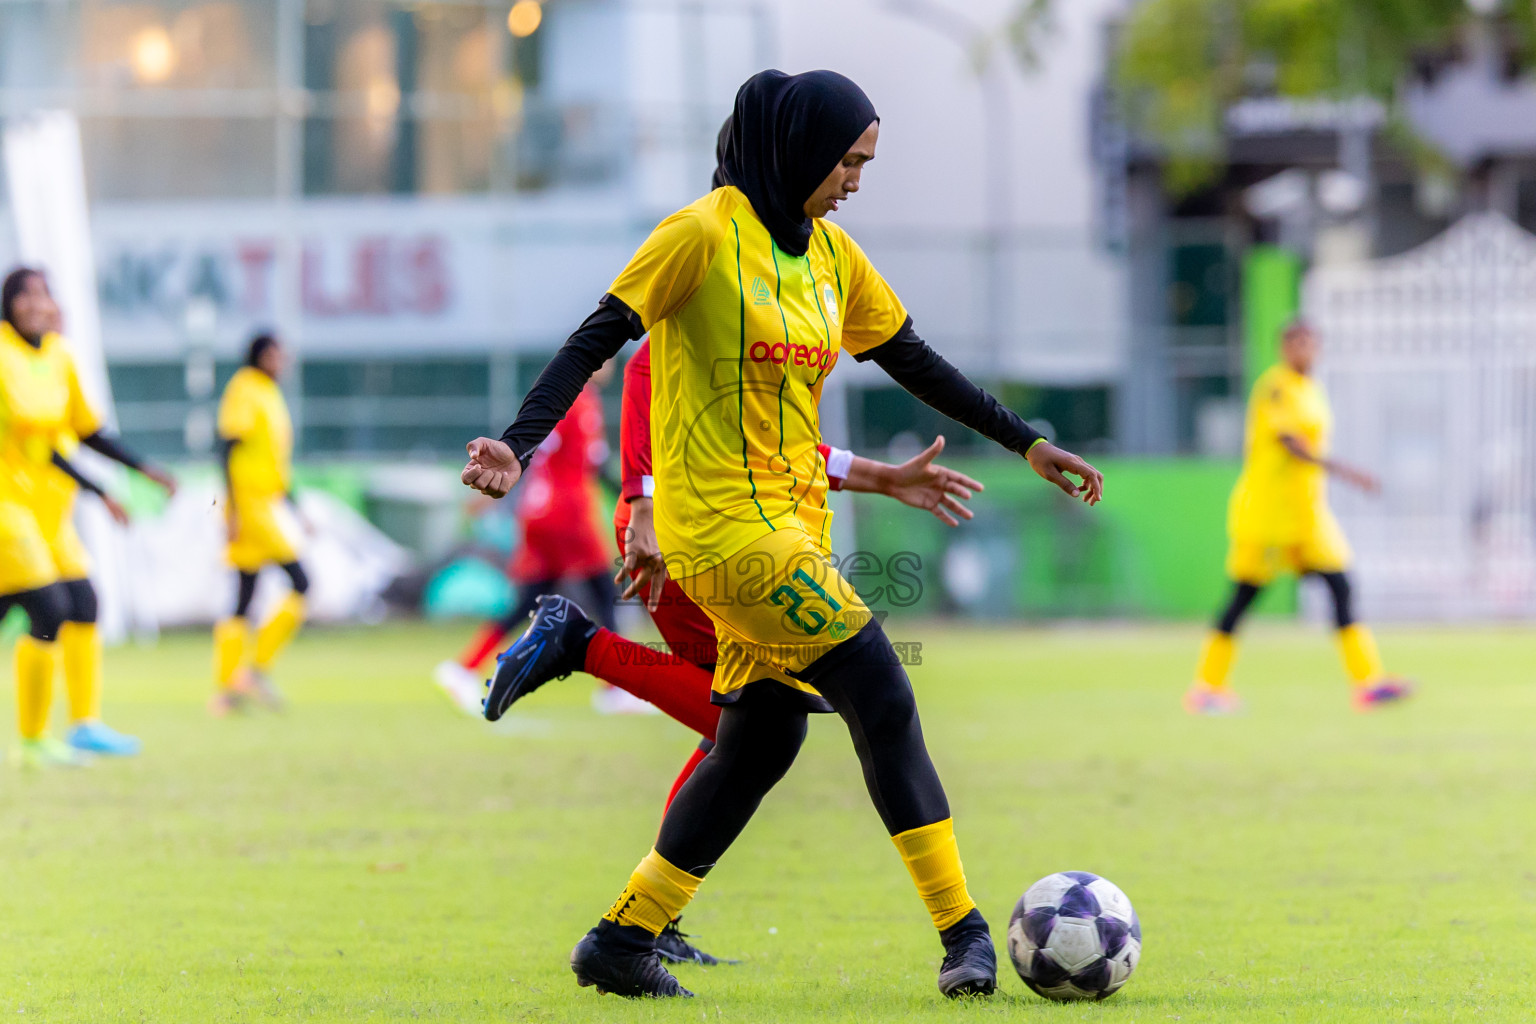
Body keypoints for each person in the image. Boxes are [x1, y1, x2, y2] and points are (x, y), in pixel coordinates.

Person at [462, 69, 1103, 999]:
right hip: (723, 537)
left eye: (864, 163)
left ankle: (623, 937)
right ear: (797, 149)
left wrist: (1026, 442)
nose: (854, 180)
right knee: (881, 692)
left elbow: (912, 358)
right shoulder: (699, 234)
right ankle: (963, 934)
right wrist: (520, 446)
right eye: (846, 161)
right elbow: (596, 340)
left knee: (762, 741)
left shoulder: (832, 258)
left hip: (793, 525)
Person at [484, 338, 986, 966]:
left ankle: (646, 923)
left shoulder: (762, 318)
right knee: (758, 722)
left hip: (724, 531)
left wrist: (884, 478)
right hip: (686, 533)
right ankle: (581, 644)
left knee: (747, 730)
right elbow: (643, 377)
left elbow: (780, 456)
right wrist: (644, 509)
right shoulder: (700, 290)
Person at [1184, 320, 1412, 715]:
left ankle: (1368, 684)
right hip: (1268, 513)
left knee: (1341, 586)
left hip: (1307, 515)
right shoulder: (1276, 387)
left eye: (1309, 342)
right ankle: (1206, 688)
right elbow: (1290, 444)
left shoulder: (1312, 389)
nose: (1303, 349)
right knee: (1243, 596)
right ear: (1283, 348)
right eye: (1295, 342)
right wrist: (1346, 471)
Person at [0, 267, 176, 765]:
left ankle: (83, 725)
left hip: (48, 509)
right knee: (48, 608)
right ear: (8, 303)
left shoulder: (59, 356)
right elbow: (34, 446)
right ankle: (32, 742)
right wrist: (101, 491)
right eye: (24, 294)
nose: (37, 303)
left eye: (44, 294)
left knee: (83, 601)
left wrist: (143, 470)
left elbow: (87, 433)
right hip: (7, 507)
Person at [433, 364, 627, 712]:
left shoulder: (569, 397)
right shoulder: (581, 401)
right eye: (608, 357)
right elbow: (577, 460)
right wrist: (636, 498)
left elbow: (537, 450)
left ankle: (464, 667)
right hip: (567, 514)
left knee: (529, 600)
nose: (611, 365)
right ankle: (615, 690)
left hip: (538, 513)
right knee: (603, 593)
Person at [211, 333, 309, 715]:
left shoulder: (268, 391)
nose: (279, 362)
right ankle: (254, 670)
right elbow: (227, 449)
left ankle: (226, 690)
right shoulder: (245, 389)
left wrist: (294, 505)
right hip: (249, 507)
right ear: (256, 356)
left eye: (281, 355)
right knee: (302, 581)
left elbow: (271, 458)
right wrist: (231, 509)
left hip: (266, 502)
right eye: (272, 355)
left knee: (244, 594)